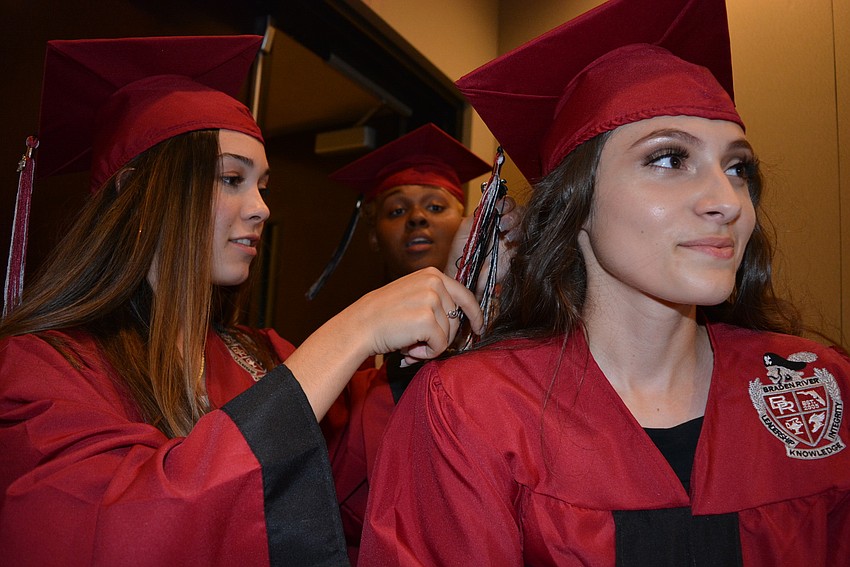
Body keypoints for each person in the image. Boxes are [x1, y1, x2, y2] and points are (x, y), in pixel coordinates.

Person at [359, 0, 850, 565]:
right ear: (577, 204)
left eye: (738, 168)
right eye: (669, 159)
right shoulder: (474, 408)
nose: (725, 201)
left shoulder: (818, 385)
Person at [0, 36, 484, 566]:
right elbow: (124, 531)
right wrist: (353, 330)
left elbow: (352, 490)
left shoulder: (260, 352)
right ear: (136, 197)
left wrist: (456, 299)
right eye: (232, 179)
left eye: (262, 186)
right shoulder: (45, 368)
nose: (260, 209)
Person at [319, 123, 520, 563]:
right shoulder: (341, 372)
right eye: (395, 211)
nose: (416, 218)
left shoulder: (512, 334)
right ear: (373, 237)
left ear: (468, 221)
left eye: (435, 205)